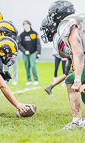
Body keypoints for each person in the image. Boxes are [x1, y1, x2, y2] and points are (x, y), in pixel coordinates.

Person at [45, 1, 85, 130]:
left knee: (73, 80)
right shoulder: (79, 18)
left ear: (58, 16)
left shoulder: (66, 24)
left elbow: (78, 50)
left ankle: (77, 121)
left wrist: (78, 79)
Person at [20, 20, 41, 85]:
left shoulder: (34, 33)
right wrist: (24, 51)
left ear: (29, 25)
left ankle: (36, 80)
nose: (25, 26)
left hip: (33, 52)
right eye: (24, 25)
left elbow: (38, 44)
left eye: (27, 24)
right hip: (25, 54)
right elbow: (19, 44)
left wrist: (38, 53)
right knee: (27, 66)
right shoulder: (22, 35)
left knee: (33, 66)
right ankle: (29, 80)